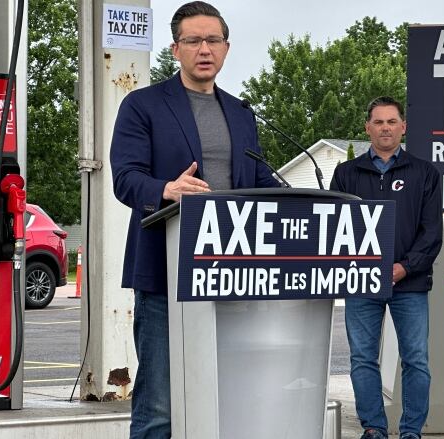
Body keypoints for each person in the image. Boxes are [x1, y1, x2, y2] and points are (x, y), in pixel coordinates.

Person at [109, 2, 278, 437]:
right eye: (193, 40)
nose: (205, 49)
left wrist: (310, 200)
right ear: (175, 49)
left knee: (230, 397)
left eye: (213, 40)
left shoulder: (241, 112)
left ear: (226, 47)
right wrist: (166, 188)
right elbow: (125, 178)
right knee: (160, 405)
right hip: (167, 276)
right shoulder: (142, 105)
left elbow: (258, 177)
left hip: (234, 273)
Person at [330, 96, 443, 439]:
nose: (385, 128)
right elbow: (335, 227)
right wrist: (360, 266)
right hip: (361, 282)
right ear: (367, 128)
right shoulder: (346, 174)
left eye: (391, 122)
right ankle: (374, 428)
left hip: (409, 282)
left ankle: (411, 431)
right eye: (378, 122)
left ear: (403, 127)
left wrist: (404, 267)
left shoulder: (425, 172)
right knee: (363, 358)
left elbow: (431, 233)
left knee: (416, 360)